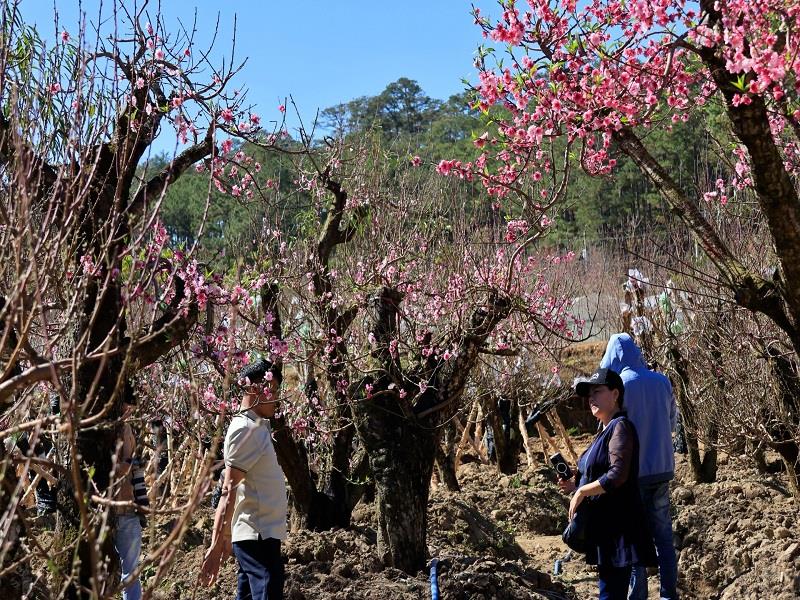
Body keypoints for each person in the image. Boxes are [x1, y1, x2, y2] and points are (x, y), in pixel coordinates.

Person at [558, 368, 656, 600]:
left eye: (597, 391)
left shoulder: (620, 427)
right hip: (606, 531)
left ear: (615, 394)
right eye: (589, 393)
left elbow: (617, 475)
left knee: (611, 594)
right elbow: (600, 474)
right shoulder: (604, 430)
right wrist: (575, 486)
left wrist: (582, 491)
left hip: (618, 530)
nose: (591, 398)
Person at [599, 333, 679, 600]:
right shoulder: (662, 381)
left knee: (634, 541)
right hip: (662, 469)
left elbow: (611, 432)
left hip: (633, 475)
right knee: (664, 539)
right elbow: (672, 422)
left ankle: (639, 596)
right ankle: (669, 595)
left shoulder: (619, 387)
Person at [200, 359, 288, 599]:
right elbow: (228, 489)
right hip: (257, 535)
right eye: (273, 390)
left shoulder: (255, 426)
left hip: (260, 533)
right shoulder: (246, 429)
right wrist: (217, 543)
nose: (276, 398)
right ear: (253, 389)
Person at [114, 398, 144, 600]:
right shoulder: (122, 431)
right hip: (120, 513)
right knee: (129, 572)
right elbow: (125, 469)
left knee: (129, 573)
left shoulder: (126, 431)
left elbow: (132, 472)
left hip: (124, 513)